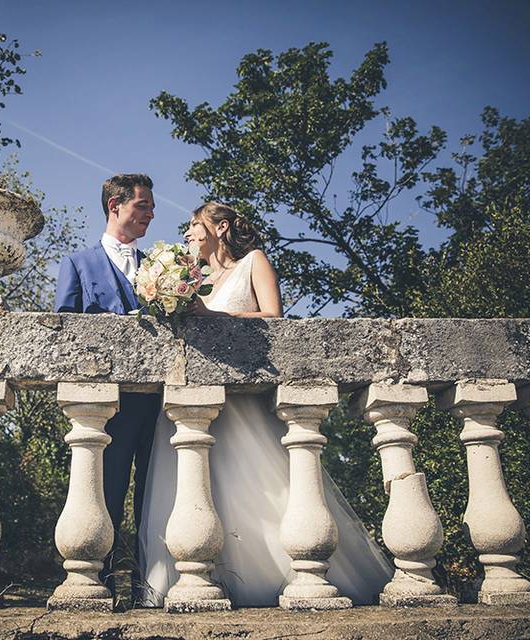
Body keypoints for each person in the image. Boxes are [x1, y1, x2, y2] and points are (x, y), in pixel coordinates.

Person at [137, 202, 394, 607]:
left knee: (258, 490)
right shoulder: (193, 277)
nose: (186, 234)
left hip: (241, 406)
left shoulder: (253, 261)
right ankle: (201, 580)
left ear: (220, 228)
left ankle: (269, 581)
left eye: (193, 226)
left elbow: (274, 317)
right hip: (196, 407)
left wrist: (212, 314)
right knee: (195, 490)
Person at [54, 173, 161, 603]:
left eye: (151, 207)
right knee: (105, 494)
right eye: (143, 206)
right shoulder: (77, 263)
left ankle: (148, 585)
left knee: (156, 496)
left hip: (159, 405)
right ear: (115, 205)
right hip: (105, 410)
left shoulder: (161, 266)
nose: (151, 214)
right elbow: (64, 333)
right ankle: (99, 581)